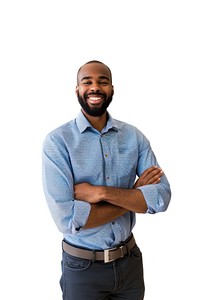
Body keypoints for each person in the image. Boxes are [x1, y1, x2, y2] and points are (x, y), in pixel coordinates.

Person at [42, 60, 171, 300]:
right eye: (87, 81)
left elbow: (161, 197)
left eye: (103, 81)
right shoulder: (58, 142)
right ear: (77, 89)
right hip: (82, 269)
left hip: (129, 263)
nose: (95, 87)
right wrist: (133, 195)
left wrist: (100, 192)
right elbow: (68, 219)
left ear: (112, 88)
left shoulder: (134, 136)